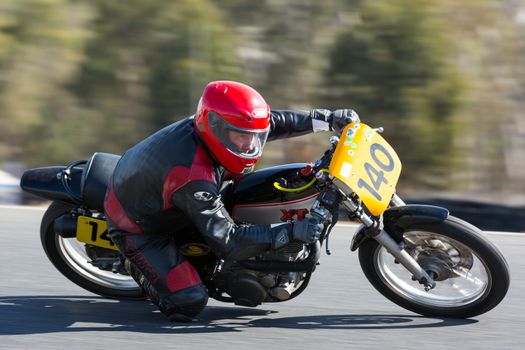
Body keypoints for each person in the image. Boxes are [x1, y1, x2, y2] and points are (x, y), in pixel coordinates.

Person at [103, 80, 359, 322]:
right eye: (242, 137)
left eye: (255, 136)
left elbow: (274, 123)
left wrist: (329, 118)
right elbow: (230, 243)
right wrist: (291, 231)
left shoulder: (220, 129)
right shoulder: (193, 177)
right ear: (214, 125)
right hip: (138, 225)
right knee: (188, 302)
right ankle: (132, 262)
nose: (250, 145)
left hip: (164, 190)